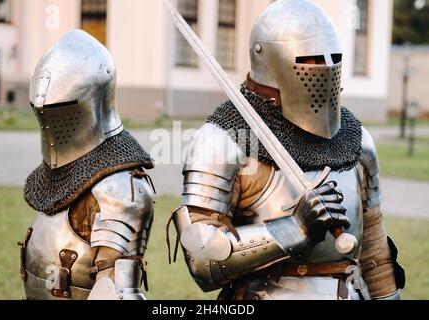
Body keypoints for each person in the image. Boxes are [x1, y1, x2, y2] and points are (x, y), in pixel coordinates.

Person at [169, 0, 404, 300]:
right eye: (311, 60)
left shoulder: (357, 140)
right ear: (270, 60)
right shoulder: (223, 139)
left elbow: (373, 248)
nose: (325, 69)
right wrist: (293, 229)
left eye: (332, 59)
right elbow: (202, 259)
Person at [19, 30, 155, 300]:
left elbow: (118, 293)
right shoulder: (61, 173)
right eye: (41, 111)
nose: (51, 124)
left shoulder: (121, 190)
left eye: (61, 110)